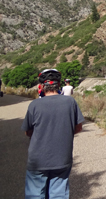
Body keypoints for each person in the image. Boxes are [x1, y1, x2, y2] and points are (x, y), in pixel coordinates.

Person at [22, 69, 84, 199]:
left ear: (42, 86)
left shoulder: (34, 105)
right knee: (59, 195)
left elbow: (28, 132)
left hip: (37, 159)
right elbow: (78, 127)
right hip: (62, 157)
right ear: (59, 84)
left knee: (35, 195)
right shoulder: (70, 102)